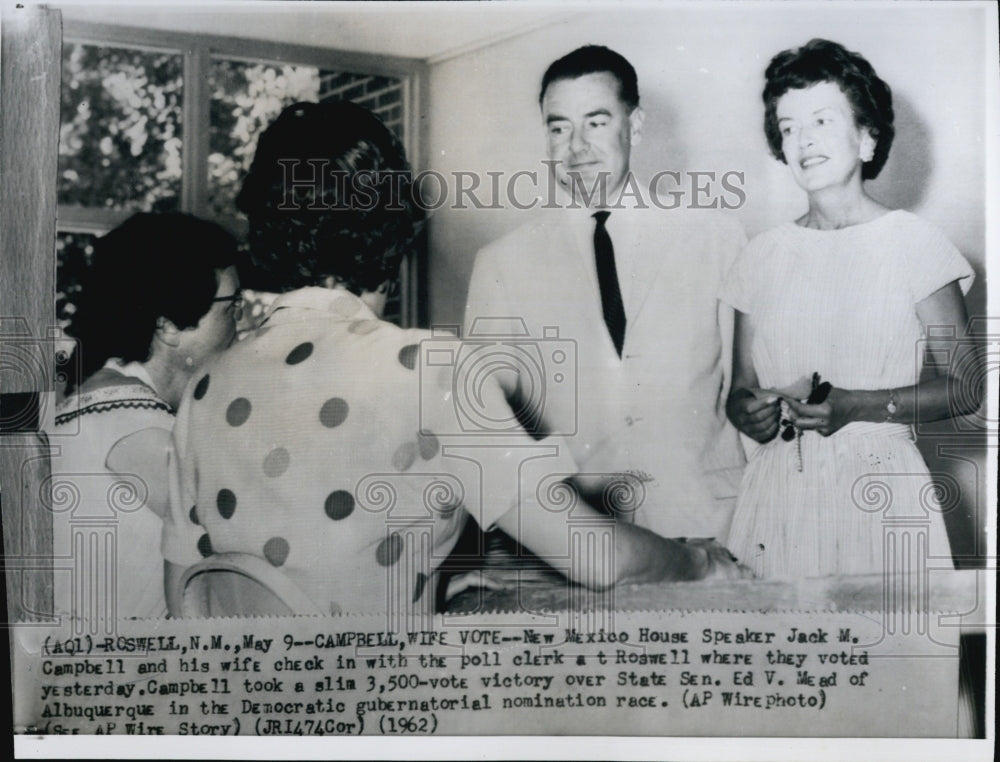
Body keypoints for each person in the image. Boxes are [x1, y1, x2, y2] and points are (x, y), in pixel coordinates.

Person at [162, 100, 748, 618]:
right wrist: (699, 562)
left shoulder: (205, 390)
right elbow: (594, 556)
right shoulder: (429, 368)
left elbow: (187, 592)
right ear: (391, 230)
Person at [722, 39, 982, 578]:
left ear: (867, 137)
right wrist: (749, 411)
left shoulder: (914, 242)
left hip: (882, 493)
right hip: (778, 499)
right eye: (788, 126)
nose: (802, 139)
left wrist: (857, 405)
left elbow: (965, 387)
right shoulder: (760, 255)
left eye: (820, 120)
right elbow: (741, 388)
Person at [464, 45, 747, 539]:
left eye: (595, 123)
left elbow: (750, 395)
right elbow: (487, 435)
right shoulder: (500, 266)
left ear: (633, 127)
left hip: (714, 530)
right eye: (558, 128)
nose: (575, 147)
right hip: (580, 547)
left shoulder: (717, 238)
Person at [50, 212, 242, 619]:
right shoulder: (134, 426)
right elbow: (240, 539)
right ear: (170, 326)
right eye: (232, 308)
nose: (240, 327)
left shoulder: (106, 402)